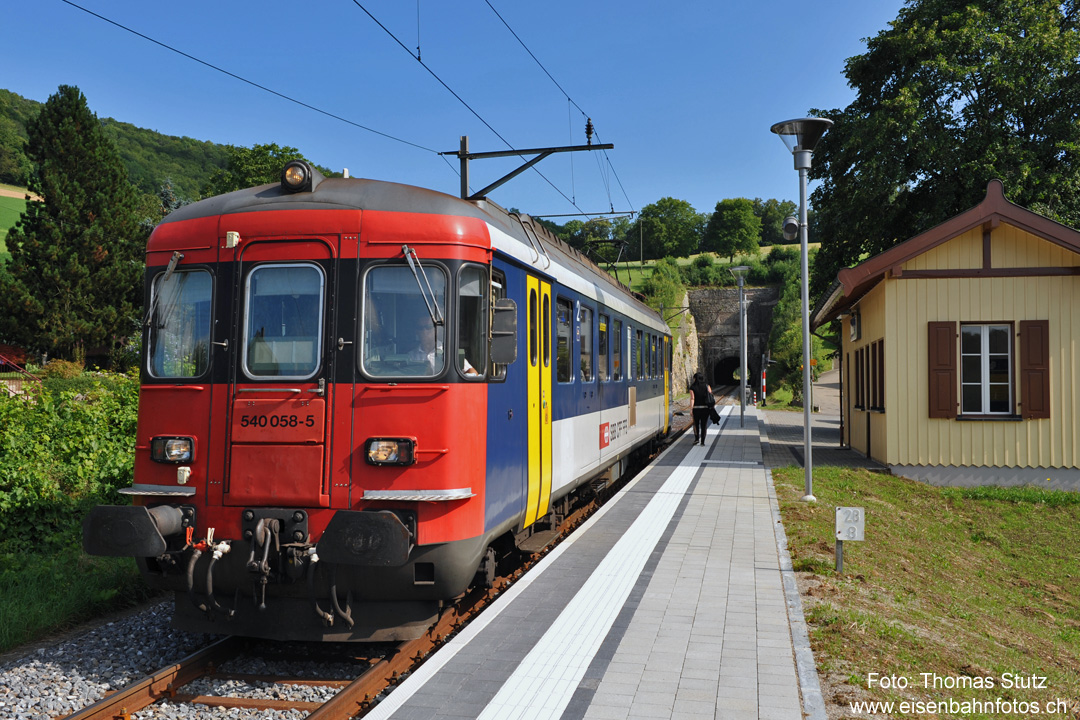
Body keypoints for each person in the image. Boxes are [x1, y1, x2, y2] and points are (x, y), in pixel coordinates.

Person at [407, 317, 477, 376]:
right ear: (416, 331)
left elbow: (473, 373)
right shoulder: (411, 355)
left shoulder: (449, 352)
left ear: (436, 330)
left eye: (428, 327)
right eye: (420, 328)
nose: (424, 331)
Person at [689, 371, 712, 446]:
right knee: (704, 425)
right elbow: (710, 396)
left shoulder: (692, 387)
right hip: (705, 409)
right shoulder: (707, 386)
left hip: (696, 409)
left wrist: (691, 409)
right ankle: (702, 441)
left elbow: (692, 398)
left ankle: (696, 439)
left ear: (695, 379)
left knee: (696, 424)